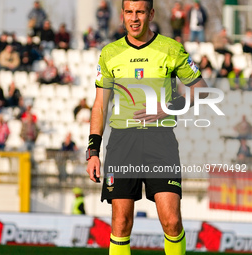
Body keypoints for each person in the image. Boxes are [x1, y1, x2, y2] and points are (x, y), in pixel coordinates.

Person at [86, 1, 208, 255]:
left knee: (172, 222)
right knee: (121, 223)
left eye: (140, 12)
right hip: (122, 142)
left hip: (160, 140)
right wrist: (93, 151)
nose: (134, 18)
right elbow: (99, 106)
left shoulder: (170, 49)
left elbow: (202, 88)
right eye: (129, 12)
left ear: (150, 14)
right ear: (122, 15)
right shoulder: (109, 53)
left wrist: (170, 107)